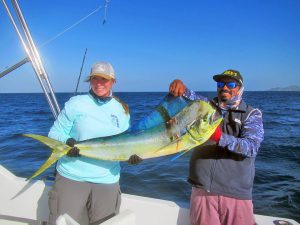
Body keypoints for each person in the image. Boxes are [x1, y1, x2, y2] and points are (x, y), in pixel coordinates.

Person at [47, 62, 141, 225]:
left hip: (107, 181)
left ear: (113, 82)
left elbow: (125, 143)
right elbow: (53, 134)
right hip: (72, 178)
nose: (99, 84)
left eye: (104, 80)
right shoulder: (75, 103)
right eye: (94, 79)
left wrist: (132, 157)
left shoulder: (122, 110)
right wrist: (67, 142)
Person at [169, 69, 264, 225]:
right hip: (202, 191)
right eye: (220, 83)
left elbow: (252, 147)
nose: (224, 87)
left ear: (240, 88)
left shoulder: (251, 114)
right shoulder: (205, 106)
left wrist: (220, 137)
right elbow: (187, 94)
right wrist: (178, 83)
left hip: (236, 195)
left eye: (230, 84)